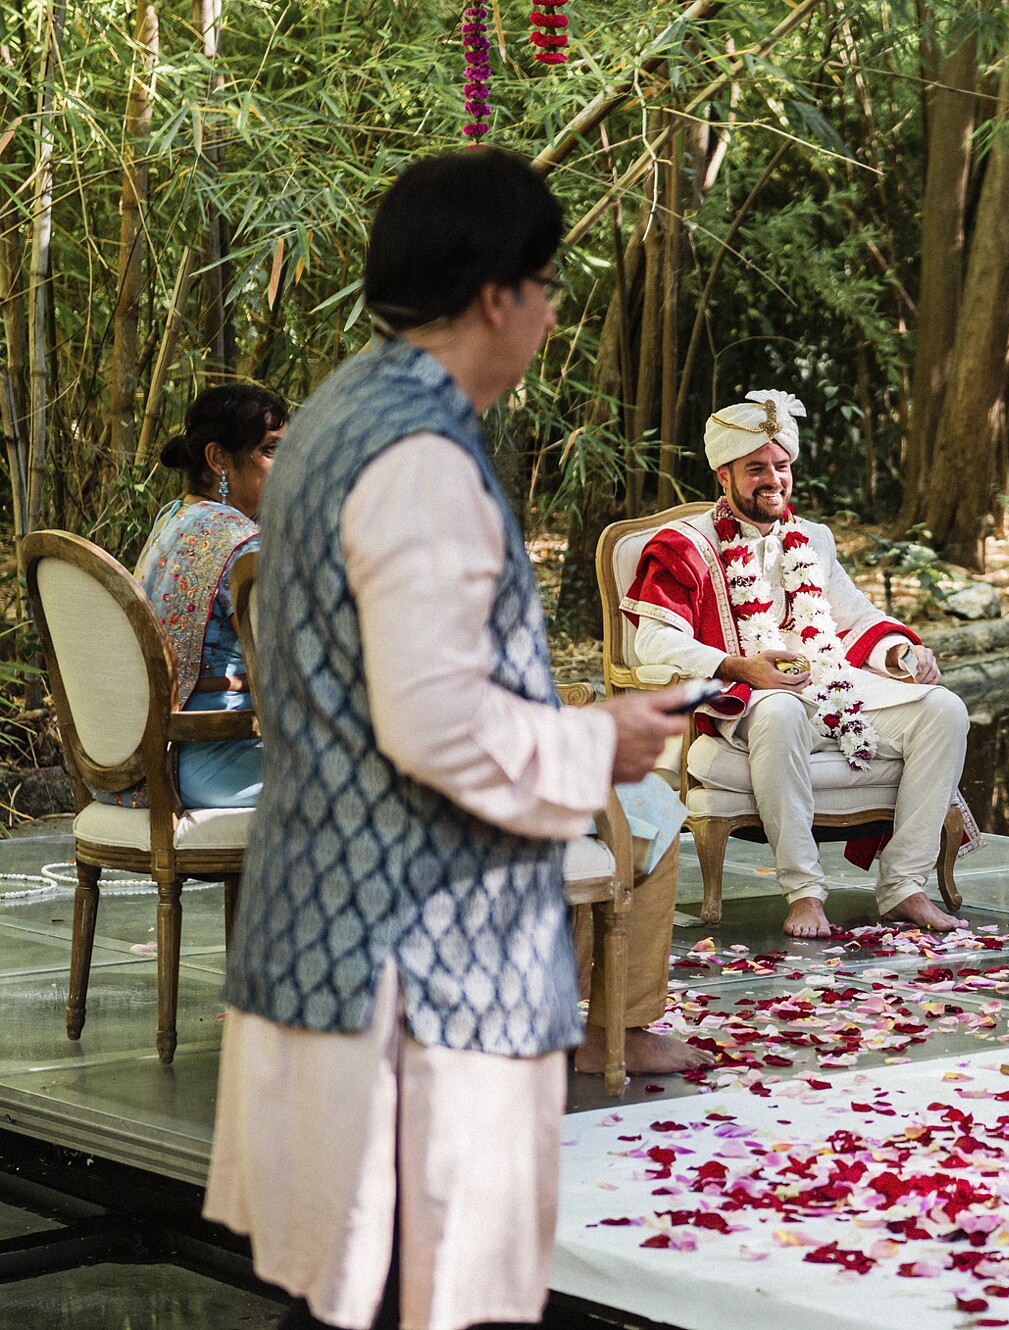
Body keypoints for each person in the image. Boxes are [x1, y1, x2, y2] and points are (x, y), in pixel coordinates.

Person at [204, 148, 700, 1330]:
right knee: (403, 1293)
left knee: (359, 1295)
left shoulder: (338, 412)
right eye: (549, 287)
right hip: (419, 961)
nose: (552, 315)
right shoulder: (419, 460)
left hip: (336, 922)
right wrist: (593, 742)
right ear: (496, 296)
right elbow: (433, 720)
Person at [621, 390, 974, 940]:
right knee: (780, 711)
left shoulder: (813, 539)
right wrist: (742, 667)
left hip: (828, 687)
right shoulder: (683, 547)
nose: (773, 480)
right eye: (756, 468)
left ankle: (904, 886)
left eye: (781, 466)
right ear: (723, 475)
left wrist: (899, 652)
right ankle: (805, 892)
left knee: (943, 710)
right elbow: (654, 642)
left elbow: (856, 617)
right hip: (747, 698)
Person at [132, 383, 286, 808]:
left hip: (144, 766)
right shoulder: (241, 544)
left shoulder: (174, 519)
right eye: (272, 450)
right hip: (213, 761)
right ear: (218, 459)